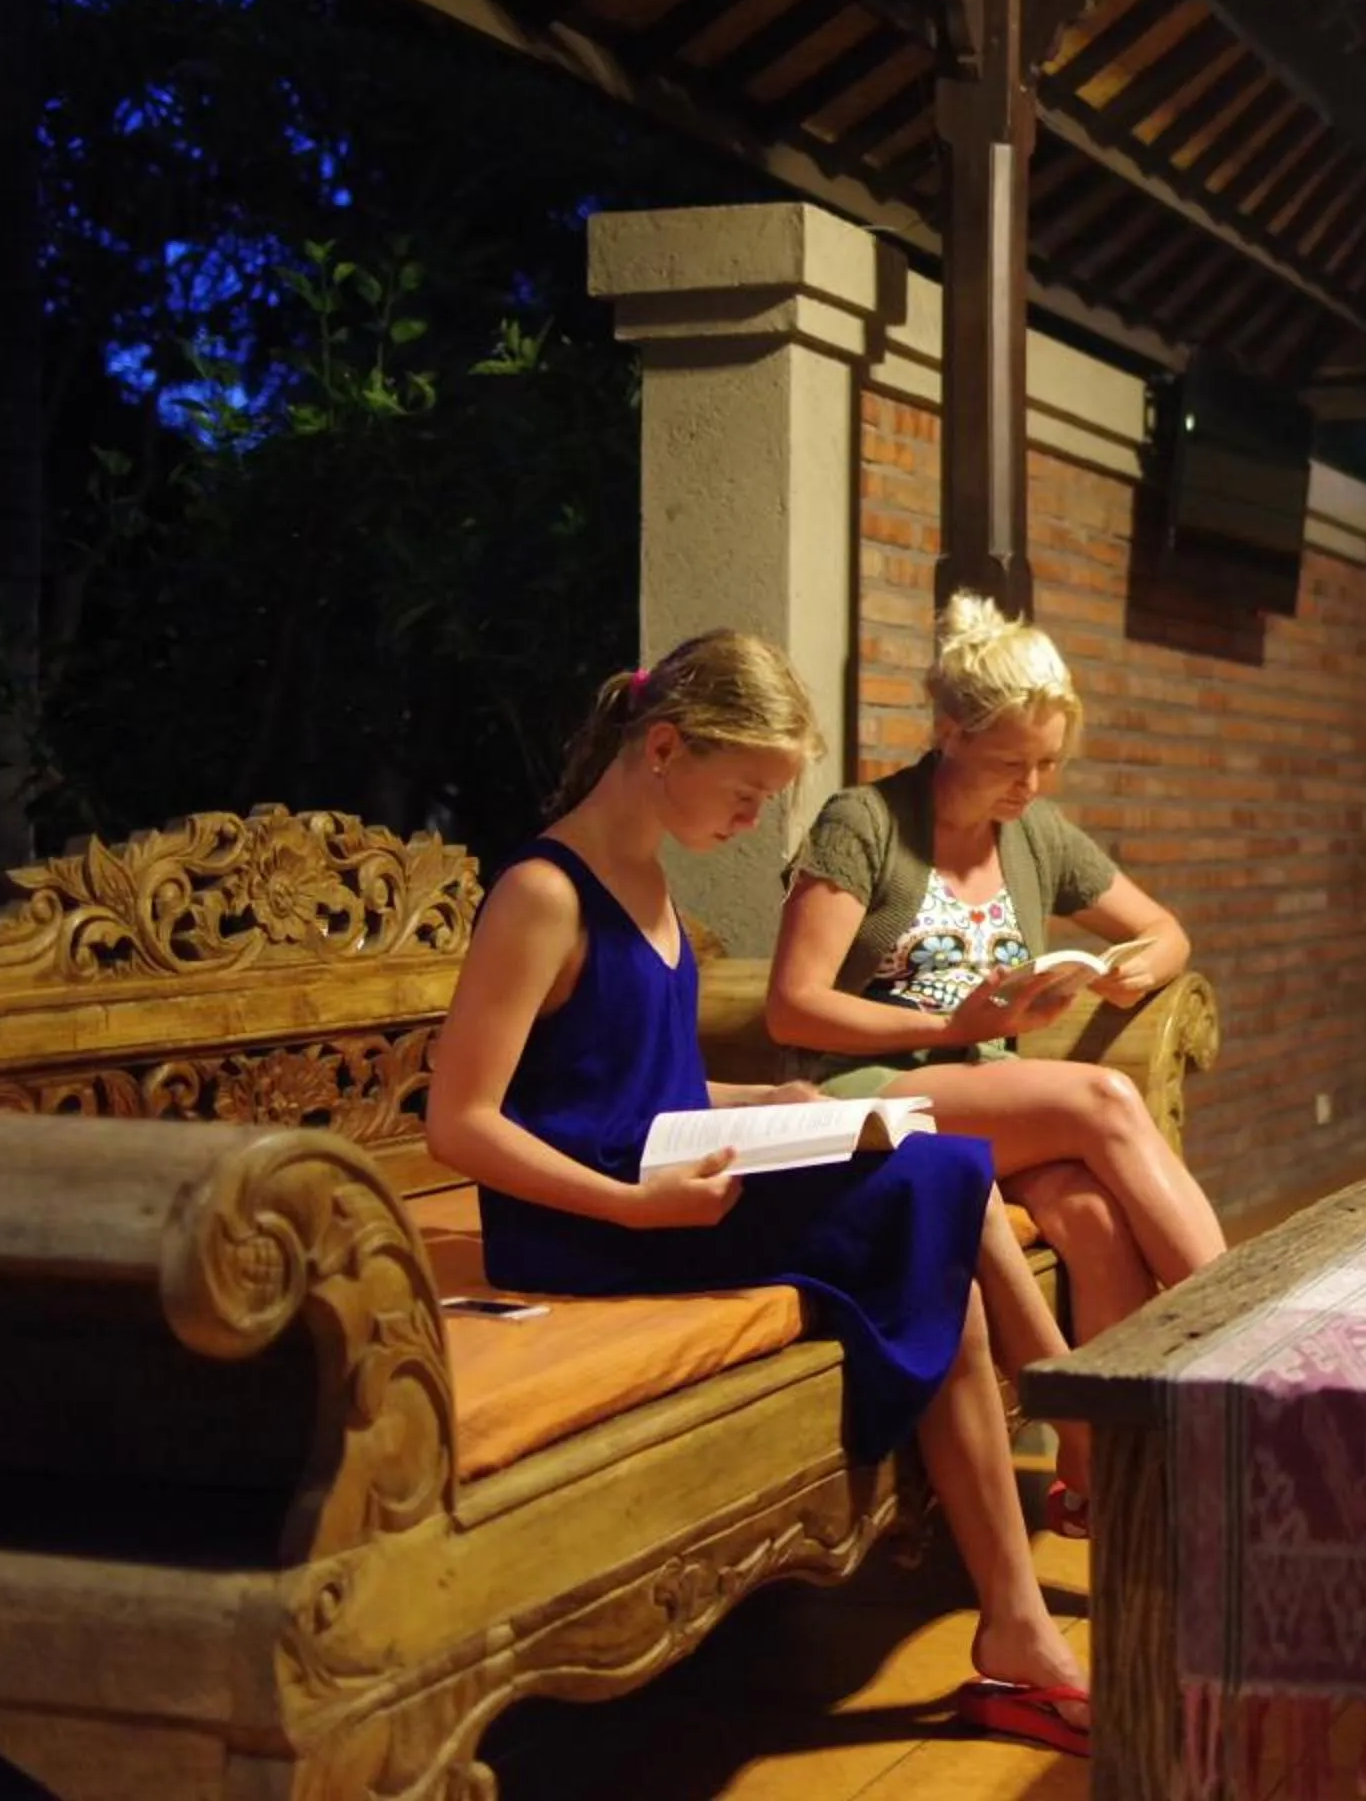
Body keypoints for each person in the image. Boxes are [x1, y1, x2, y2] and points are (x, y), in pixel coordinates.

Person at [423, 631, 1089, 1756]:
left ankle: (1018, 1615)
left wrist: (777, 1101)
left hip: (668, 1177)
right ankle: (1072, 1422)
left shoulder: (649, 880)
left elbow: (645, 1082)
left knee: (920, 1163)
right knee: (932, 1180)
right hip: (586, 1224)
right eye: (746, 792)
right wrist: (634, 1206)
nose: (755, 822)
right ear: (665, 746)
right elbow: (461, 1122)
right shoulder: (542, 890)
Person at [766, 594, 1228, 1528]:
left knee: (1094, 1218)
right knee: (1102, 1096)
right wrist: (946, 1020)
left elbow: (1165, 930)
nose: (1032, 785)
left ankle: (1105, 1488)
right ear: (949, 732)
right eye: (1012, 763)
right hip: (874, 1094)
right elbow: (793, 1006)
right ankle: (1255, 1333)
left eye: (1050, 762)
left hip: (987, 1094)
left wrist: (1129, 971)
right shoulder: (865, 824)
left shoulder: (1039, 836)